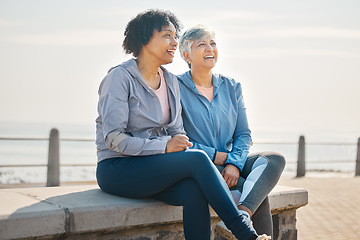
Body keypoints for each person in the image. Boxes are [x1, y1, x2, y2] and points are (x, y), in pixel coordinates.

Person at [95, 10, 270, 240]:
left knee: (193, 190)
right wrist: (163, 147)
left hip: (153, 165)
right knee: (197, 158)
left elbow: (177, 133)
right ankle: (244, 232)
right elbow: (114, 139)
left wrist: (173, 146)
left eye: (175, 36)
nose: (174, 42)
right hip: (117, 168)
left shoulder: (169, 81)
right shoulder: (120, 78)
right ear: (146, 39)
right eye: (167, 35)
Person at [177, 25, 286, 237]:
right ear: (186, 55)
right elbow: (177, 137)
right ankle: (246, 220)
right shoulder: (175, 87)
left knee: (275, 159)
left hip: (229, 161)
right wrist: (215, 156)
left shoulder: (231, 86)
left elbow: (243, 134)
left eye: (213, 43)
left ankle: (242, 215)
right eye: (202, 44)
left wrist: (234, 164)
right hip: (201, 165)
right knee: (255, 193)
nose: (210, 48)